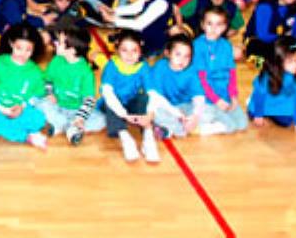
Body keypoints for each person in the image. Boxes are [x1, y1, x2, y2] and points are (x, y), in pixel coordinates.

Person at [0, 22, 48, 149]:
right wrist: (1, 107)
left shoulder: (36, 72)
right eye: (19, 48)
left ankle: (0, 129)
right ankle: (26, 137)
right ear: (11, 44)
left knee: (39, 119)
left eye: (28, 50)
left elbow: (37, 96)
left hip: (22, 110)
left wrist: (22, 106)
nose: (23, 54)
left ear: (34, 49)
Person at [40, 23, 104, 144]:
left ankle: (61, 126)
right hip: (57, 105)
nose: (55, 43)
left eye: (59, 42)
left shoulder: (85, 71)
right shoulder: (56, 60)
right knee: (40, 102)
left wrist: (80, 118)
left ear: (72, 49)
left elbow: (89, 99)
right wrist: (49, 93)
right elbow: (47, 80)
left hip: (76, 110)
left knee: (101, 120)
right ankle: (70, 128)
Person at [99, 30, 157, 163]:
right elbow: (108, 93)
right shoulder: (112, 66)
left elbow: (152, 93)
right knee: (110, 104)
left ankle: (148, 137)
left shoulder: (143, 67)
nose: (130, 55)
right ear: (118, 50)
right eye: (125, 50)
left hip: (131, 102)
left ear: (140, 50)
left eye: (134, 50)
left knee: (143, 98)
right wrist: (123, 114)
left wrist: (150, 113)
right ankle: (125, 137)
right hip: (113, 105)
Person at [191, 7, 249, 133]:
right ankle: (203, 126)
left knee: (242, 124)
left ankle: (216, 119)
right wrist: (216, 100)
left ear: (224, 27)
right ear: (202, 25)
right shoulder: (198, 46)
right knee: (230, 126)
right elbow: (201, 80)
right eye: (209, 23)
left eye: (218, 24)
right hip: (207, 96)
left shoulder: (226, 45)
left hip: (224, 95)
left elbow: (232, 74)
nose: (213, 28)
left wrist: (233, 97)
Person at [147, 35, 206, 139]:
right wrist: (176, 113)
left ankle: (170, 129)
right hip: (165, 106)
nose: (182, 60)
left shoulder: (191, 71)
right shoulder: (160, 67)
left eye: (187, 56)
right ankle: (178, 130)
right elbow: (156, 97)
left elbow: (199, 97)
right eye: (178, 54)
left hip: (185, 106)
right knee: (154, 111)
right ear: (167, 53)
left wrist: (195, 116)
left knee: (204, 111)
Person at [248, 37, 296, 132]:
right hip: (266, 101)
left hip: (285, 101)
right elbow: (260, 94)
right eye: (291, 61)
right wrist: (259, 115)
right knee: (254, 112)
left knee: (287, 122)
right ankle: (253, 103)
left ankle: (271, 114)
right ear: (278, 61)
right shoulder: (269, 72)